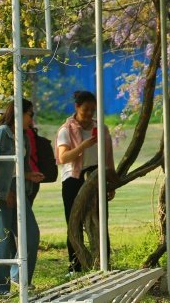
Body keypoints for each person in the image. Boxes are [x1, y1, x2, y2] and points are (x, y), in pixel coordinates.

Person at [0, 98, 44, 296]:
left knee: (31, 234)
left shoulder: (22, 135)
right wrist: (3, 193)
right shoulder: (1, 133)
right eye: (30, 114)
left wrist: (29, 175)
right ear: (19, 113)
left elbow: (15, 166)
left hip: (16, 187)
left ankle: (18, 277)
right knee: (1, 239)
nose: (32, 119)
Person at [55, 90, 115, 274]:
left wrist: (111, 181)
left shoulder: (102, 129)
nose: (89, 114)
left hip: (96, 178)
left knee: (100, 221)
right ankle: (75, 266)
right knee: (74, 222)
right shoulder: (66, 130)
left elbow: (108, 157)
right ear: (77, 108)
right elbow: (63, 157)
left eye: (93, 110)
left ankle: (103, 262)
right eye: (86, 110)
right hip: (73, 179)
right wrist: (83, 146)